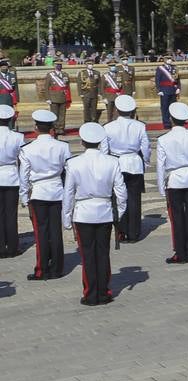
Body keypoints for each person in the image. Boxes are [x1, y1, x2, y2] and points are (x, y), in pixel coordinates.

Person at [62, 122, 127, 306]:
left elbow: (69, 193)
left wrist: (66, 217)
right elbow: (121, 192)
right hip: (105, 211)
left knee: (88, 255)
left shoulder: (74, 163)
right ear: (100, 142)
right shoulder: (112, 161)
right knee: (103, 253)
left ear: (82, 142)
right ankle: (104, 291)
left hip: (83, 214)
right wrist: (119, 213)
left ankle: (91, 293)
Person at [20, 109, 71, 280]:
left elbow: (24, 176)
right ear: (51, 128)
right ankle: (57, 268)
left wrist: (24, 197)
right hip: (57, 190)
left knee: (41, 232)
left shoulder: (28, 149)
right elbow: (68, 172)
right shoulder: (63, 146)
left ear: (35, 128)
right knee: (56, 231)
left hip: (39, 192)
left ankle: (42, 269)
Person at [157, 101, 188, 264]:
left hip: (174, 180)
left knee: (177, 218)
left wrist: (161, 186)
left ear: (171, 119)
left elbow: (160, 166)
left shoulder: (163, 139)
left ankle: (180, 252)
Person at [102, 95, 150, 242]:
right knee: (134, 199)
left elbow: (104, 151)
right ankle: (134, 232)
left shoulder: (108, 127)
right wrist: (145, 162)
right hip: (134, 163)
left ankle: (121, 231)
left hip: (117, 163)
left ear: (116, 110)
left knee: (119, 199)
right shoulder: (140, 126)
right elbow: (146, 147)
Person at [0, 105, 22, 258]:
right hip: (11, 176)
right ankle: (12, 246)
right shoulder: (17, 137)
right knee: (11, 213)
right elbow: (23, 159)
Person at [45, 61, 72, 133]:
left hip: (63, 97)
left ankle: (61, 128)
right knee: (54, 114)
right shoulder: (50, 75)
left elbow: (68, 87)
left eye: (60, 64)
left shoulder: (65, 74)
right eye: (57, 64)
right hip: (53, 97)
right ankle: (55, 128)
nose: (59, 66)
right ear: (54, 65)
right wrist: (47, 98)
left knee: (62, 114)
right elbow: (46, 87)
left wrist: (68, 97)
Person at [79, 60, 100, 124]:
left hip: (94, 93)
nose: (90, 65)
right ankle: (87, 120)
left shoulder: (96, 73)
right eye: (89, 64)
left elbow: (99, 83)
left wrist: (99, 93)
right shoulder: (82, 73)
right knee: (86, 108)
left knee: (94, 107)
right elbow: (79, 83)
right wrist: (81, 93)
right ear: (86, 65)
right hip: (86, 93)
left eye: (91, 64)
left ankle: (94, 120)